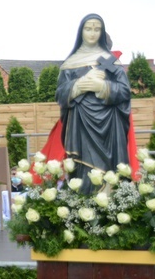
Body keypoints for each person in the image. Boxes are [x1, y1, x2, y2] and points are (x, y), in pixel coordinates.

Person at [55, 14, 132, 194]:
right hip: (80, 122)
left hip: (109, 125)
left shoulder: (110, 61)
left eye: (97, 29)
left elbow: (124, 91)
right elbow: (60, 94)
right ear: (81, 31)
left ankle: (110, 200)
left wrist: (103, 87)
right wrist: (78, 86)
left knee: (110, 169)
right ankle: (82, 203)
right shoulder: (70, 64)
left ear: (102, 32)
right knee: (82, 169)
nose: (92, 33)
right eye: (88, 29)